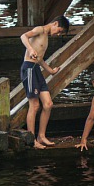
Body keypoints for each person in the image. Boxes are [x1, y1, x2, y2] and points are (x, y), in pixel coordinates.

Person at [20, 15, 69, 149]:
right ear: (55, 23)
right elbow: (23, 36)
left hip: (37, 70)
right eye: (59, 31)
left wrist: (51, 71)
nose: (58, 34)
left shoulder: (46, 37)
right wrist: (30, 49)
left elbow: (40, 59)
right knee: (35, 105)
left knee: (48, 104)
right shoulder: (40, 30)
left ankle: (41, 137)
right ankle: (32, 140)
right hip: (29, 68)